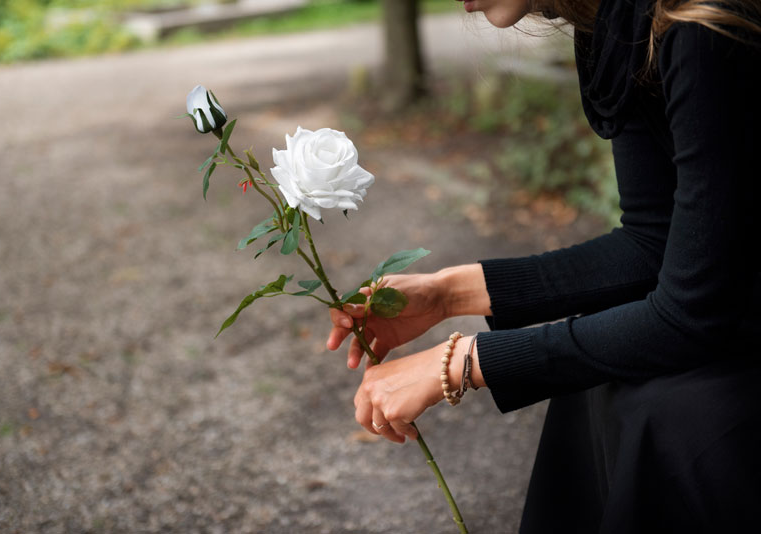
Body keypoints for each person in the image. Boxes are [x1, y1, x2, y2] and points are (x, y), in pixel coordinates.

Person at [326, 0, 761, 531]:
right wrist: (447, 294)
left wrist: (465, 362)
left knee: (665, 412)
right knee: (597, 381)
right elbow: (653, 241)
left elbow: (693, 313)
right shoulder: (616, 22)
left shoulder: (697, 23)